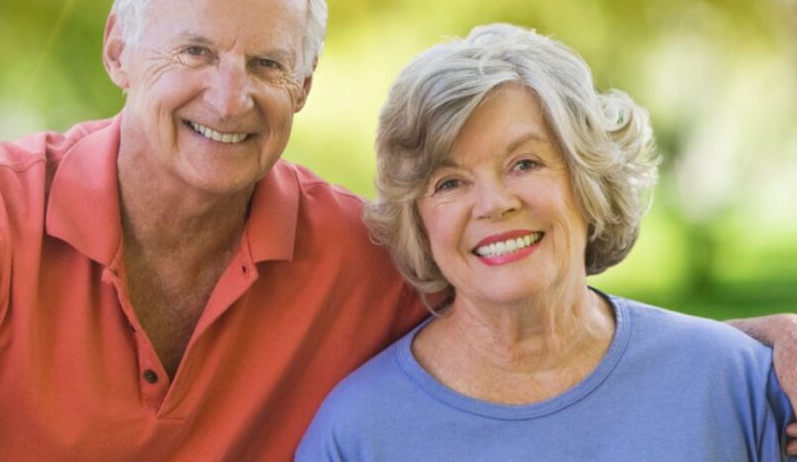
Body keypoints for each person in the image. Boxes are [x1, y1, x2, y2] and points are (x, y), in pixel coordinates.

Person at [0, 0, 793, 462]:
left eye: (266, 63)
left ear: (302, 84)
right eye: (195, 52)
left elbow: (528, 302)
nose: (230, 96)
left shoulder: (356, 258)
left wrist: (749, 350)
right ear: (119, 48)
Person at [297, 23, 797, 460]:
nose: (494, 203)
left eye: (525, 163)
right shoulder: (358, 433)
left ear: (588, 180)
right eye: (450, 182)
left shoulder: (732, 383)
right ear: (419, 221)